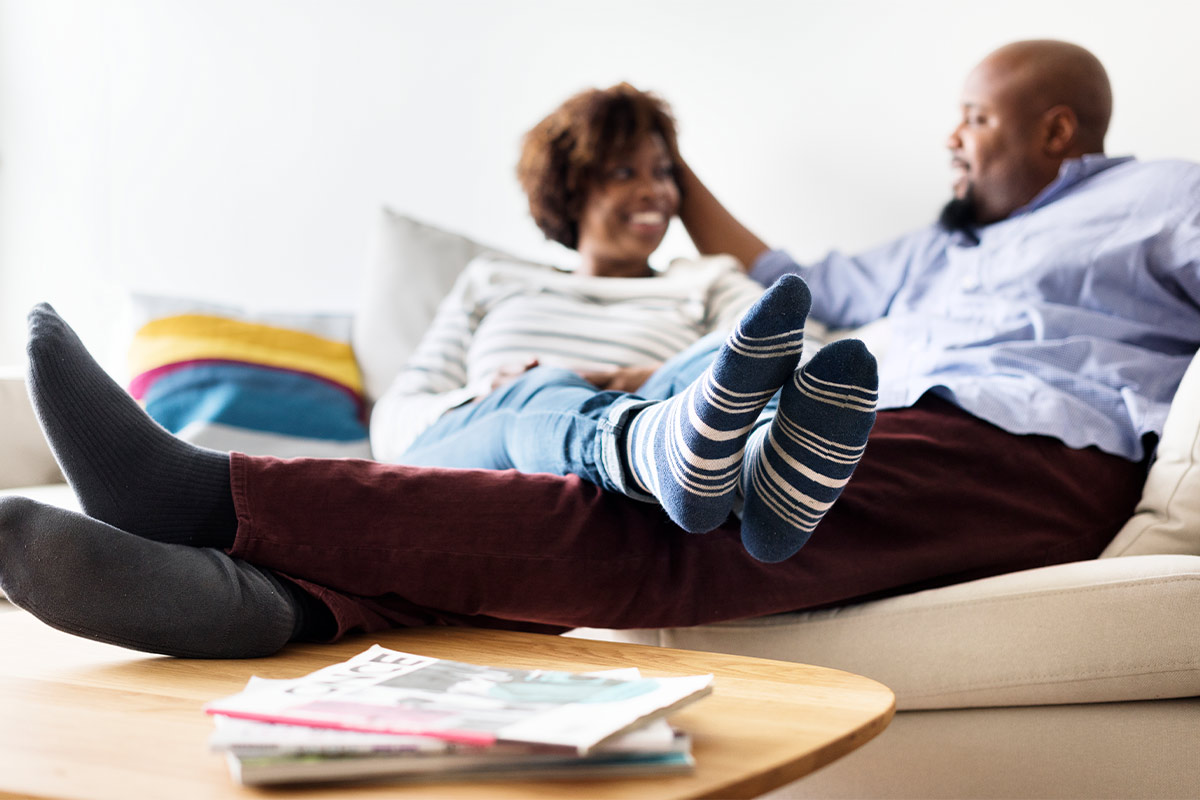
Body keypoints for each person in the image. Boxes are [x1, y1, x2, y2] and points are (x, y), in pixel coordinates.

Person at [1, 39, 1196, 660]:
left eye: (975, 119)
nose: (950, 138)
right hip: (849, 409)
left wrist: (664, 187)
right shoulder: (938, 250)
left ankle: (214, 510)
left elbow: (758, 291)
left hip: (1019, 432)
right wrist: (665, 162)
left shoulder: (1160, 200)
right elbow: (802, 279)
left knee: (671, 526)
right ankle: (271, 602)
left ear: (1056, 129)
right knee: (659, 498)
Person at [374, 83, 878, 557]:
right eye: (624, 173)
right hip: (488, 434)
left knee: (717, 358)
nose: (654, 192)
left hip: (659, 420)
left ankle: (761, 484)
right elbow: (394, 422)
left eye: (663, 173)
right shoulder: (494, 281)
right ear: (570, 188)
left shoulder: (705, 281)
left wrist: (624, 381)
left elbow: (801, 355)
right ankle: (652, 448)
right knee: (548, 388)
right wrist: (493, 391)